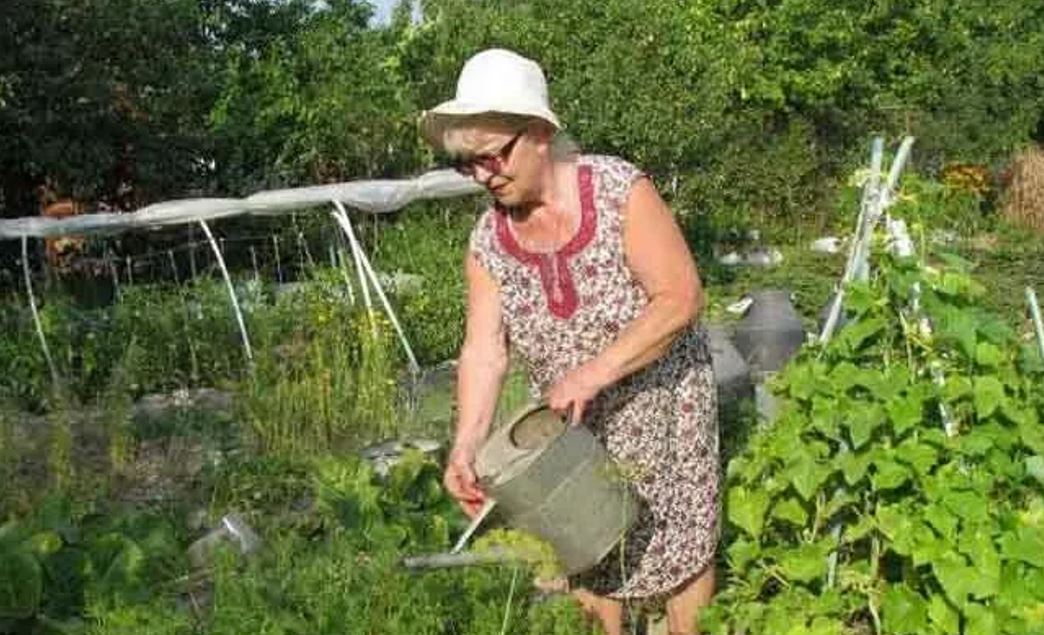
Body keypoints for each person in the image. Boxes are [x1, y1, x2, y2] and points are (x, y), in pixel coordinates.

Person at [420, 48, 719, 635]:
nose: (483, 175)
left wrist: (591, 373)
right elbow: (485, 349)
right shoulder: (488, 241)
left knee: (682, 560)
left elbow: (680, 298)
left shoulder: (616, 192)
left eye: (491, 157)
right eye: (467, 165)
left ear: (538, 133)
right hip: (568, 439)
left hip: (665, 413)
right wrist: (466, 443)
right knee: (587, 558)